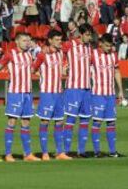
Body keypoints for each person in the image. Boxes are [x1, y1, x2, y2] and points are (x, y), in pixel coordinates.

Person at [0, 33, 39, 162]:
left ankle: (27, 154)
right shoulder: (10, 54)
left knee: (26, 122)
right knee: (12, 122)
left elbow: (32, 71)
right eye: (24, 40)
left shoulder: (29, 55)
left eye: (28, 40)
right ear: (17, 41)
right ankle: (8, 154)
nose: (27, 42)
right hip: (15, 92)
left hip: (27, 93)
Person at [34, 30, 72, 161]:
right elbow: (33, 70)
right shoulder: (42, 55)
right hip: (47, 93)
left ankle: (59, 152)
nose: (59, 42)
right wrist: (43, 79)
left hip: (58, 93)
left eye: (60, 39)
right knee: (45, 121)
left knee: (60, 121)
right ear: (49, 40)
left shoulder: (60, 53)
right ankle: (44, 153)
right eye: (56, 39)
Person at [62, 24, 93, 157]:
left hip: (86, 88)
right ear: (80, 34)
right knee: (71, 119)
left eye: (90, 35)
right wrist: (64, 65)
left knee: (85, 119)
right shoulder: (70, 45)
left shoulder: (89, 48)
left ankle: (82, 151)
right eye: (87, 35)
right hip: (74, 87)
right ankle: (66, 150)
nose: (89, 37)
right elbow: (56, 51)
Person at [90, 33, 124, 158]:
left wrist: (120, 90)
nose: (109, 48)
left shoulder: (113, 56)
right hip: (97, 94)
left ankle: (113, 151)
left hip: (110, 95)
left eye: (111, 46)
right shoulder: (92, 54)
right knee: (97, 122)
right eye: (107, 46)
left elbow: (116, 72)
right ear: (101, 44)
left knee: (111, 123)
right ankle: (97, 151)